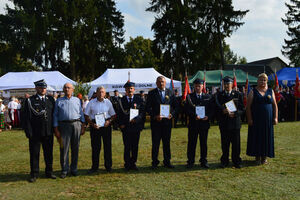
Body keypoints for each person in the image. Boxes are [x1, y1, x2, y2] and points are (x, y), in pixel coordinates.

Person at [22, 80, 56, 182]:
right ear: (36, 88)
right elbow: (26, 118)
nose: (43, 89)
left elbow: (53, 115)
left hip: (48, 132)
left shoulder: (50, 99)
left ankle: (49, 172)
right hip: (35, 133)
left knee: (49, 153)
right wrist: (28, 132)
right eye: (41, 88)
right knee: (34, 154)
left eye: (44, 88)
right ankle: (34, 174)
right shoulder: (30, 100)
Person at [53, 83, 86, 178]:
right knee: (64, 148)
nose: (67, 89)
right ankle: (64, 169)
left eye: (69, 88)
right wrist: (56, 128)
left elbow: (81, 113)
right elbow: (55, 115)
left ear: (73, 90)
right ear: (63, 89)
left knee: (75, 147)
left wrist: (83, 125)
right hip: (63, 125)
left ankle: (74, 169)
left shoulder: (77, 100)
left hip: (76, 124)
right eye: (65, 88)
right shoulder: (59, 101)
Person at [146, 76, 178, 169]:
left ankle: (167, 161)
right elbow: (148, 107)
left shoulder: (170, 93)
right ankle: (154, 162)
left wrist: (171, 114)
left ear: (165, 83)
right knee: (155, 143)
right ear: (156, 83)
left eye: (163, 82)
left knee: (166, 143)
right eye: (159, 82)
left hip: (167, 123)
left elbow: (176, 106)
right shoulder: (152, 93)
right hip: (156, 123)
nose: (161, 83)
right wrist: (155, 116)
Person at [246, 73, 278, 165]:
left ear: (267, 81)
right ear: (257, 81)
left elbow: (275, 105)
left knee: (266, 138)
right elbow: (248, 107)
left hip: (268, 121)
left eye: (264, 80)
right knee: (257, 137)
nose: (262, 81)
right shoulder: (253, 91)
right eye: (261, 80)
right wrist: (249, 119)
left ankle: (264, 158)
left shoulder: (271, 91)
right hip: (256, 120)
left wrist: (275, 117)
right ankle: (257, 157)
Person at [84, 86, 116, 173]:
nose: (101, 93)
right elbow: (86, 115)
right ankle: (94, 167)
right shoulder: (91, 102)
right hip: (95, 126)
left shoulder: (108, 102)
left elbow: (113, 115)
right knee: (95, 147)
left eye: (103, 92)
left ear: (105, 93)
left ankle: (108, 166)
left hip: (106, 126)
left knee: (107, 147)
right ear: (96, 93)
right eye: (99, 92)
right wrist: (92, 124)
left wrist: (109, 121)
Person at [185, 79, 214, 168]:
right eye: (196, 86)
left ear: (203, 86)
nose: (198, 88)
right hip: (193, 124)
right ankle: (190, 161)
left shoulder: (208, 97)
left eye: (199, 86)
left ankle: (203, 161)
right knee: (192, 143)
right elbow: (187, 110)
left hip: (204, 124)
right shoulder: (189, 97)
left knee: (203, 143)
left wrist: (208, 116)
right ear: (194, 86)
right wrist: (194, 116)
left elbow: (212, 110)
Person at [215, 76, 244, 168]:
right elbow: (216, 108)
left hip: (235, 123)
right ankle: (224, 161)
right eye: (225, 84)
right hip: (224, 123)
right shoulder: (219, 95)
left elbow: (242, 109)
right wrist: (222, 111)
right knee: (225, 144)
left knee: (236, 144)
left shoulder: (238, 94)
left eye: (229, 83)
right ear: (223, 84)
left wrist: (235, 114)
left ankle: (236, 161)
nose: (227, 85)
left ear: (232, 84)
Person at [117, 82, 145, 171]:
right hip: (125, 127)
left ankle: (133, 163)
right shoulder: (121, 100)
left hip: (136, 127)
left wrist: (137, 120)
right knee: (127, 146)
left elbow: (142, 112)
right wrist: (120, 124)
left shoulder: (139, 99)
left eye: (131, 88)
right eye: (128, 89)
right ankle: (127, 164)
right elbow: (118, 113)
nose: (130, 90)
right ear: (125, 90)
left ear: (134, 89)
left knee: (135, 146)